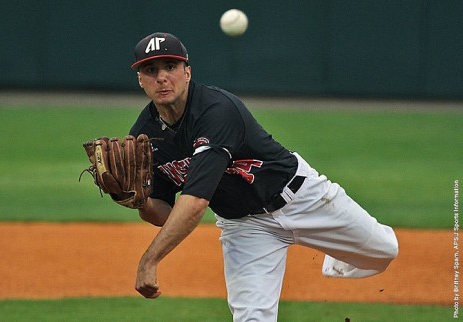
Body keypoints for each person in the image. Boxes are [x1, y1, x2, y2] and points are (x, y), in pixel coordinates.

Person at [129, 32, 398, 321]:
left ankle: (335, 253)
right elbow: (163, 213)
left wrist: (150, 259)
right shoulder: (144, 137)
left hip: (302, 198)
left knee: (384, 250)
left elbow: (195, 203)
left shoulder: (216, 110)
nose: (162, 77)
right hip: (246, 227)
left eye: (170, 66)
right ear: (140, 80)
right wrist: (137, 201)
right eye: (151, 70)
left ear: (187, 72)